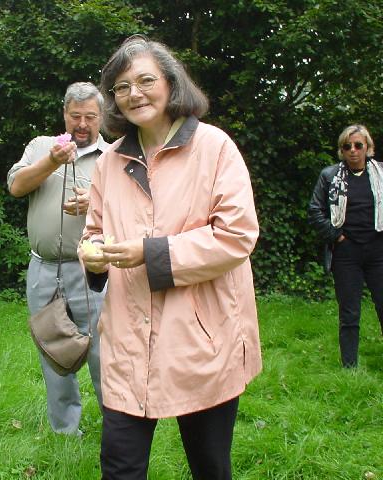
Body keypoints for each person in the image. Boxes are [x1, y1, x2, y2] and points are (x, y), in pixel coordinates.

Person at [78, 34, 262, 479]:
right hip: (126, 340)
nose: (134, 93)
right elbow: (94, 232)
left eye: (146, 80)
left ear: (171, 83)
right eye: (122, 87)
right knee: (119, 467)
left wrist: (150, 253)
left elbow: (236, 235)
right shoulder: (109, 162)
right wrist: (94, 257)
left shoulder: (215, 147)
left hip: (202, 341)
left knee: (209, 466)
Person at [7, 82, 110, 435]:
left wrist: (94, 202)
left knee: (103, 351)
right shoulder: (40, 146)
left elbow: (135, 212)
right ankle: (65, 431)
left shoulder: (113, 157)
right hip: (44, 268)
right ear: (65, 114)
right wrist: (51, 160)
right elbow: (16, 187)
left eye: (90, 117)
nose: (82, 124)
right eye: (75, 116)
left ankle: (118, 428)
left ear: (101, 117)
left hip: (93, 269)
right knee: (53, 346)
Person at [308, 124, 383, 368]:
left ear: (368, 147)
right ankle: (349, 368)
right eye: (347, 146)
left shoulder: (380, 174)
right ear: (341, 150)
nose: (353, 150)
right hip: (346, 253)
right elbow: (315, 210)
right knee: (349, 312)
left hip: (378, 251)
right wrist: (336, 235)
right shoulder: (330, 176)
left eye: (358, 145)